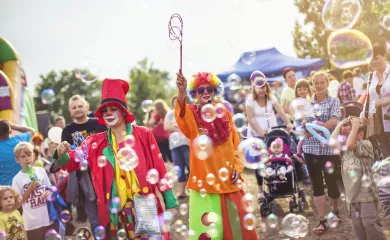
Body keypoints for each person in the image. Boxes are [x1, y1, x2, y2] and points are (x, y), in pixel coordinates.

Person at [55, 79, 178, 239]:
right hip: (115, 209)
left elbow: (159, 168)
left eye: (114, 109)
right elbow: (71, 163)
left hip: (144, 203)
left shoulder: (143, 134)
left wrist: (170, 202)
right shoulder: (94, 142)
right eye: (105, 110)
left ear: (124, 112)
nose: (109, 113)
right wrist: (61, 153)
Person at [175, 71, 258, 239]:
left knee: (238, 230)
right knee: (209, 234)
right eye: (200, 90)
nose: (206, 93)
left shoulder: (224, 113)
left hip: (229, 180)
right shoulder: (191, 113)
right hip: (204, 183)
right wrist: (181, 92)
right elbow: (181, 115)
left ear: (215, 91)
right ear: (194, 94)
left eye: (210, 89)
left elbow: (236, 143)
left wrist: (238, 167)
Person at [330, 117, 386, 240]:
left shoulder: (366, 144)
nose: (347, 136)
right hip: (352, 198)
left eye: (352, 133)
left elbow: (351, 144)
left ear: (361, 133)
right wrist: (339, 125)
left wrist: (355, 126)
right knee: (358, 229)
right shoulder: (344, 149)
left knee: (372, 227)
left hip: (366, 196)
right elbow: (331, 142)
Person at [302, 71, 342, 235]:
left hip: (329, 149)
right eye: (316, 83)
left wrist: (315, 129)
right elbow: (302, 124)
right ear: (312, 85)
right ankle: (322, 220)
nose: (319, 85)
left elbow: (335, 120)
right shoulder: (306, 104)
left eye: (322, 82)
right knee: (317, 184)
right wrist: (305, 126)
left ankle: (335, 211)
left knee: (332, 182)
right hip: (310, 150)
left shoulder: (334, 100)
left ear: (327, 83)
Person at [60, 94, 106, 229]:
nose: (77, 109)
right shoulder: (67, 131)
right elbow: (66, 158)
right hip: (83, 178)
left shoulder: (98, 123)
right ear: (70, 111)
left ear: (87, 107)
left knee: (109, 213)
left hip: (102, 173)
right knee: (94, 217)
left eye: (80, 106)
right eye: (74, 107)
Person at [245, 74, 293, 201]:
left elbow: (281, 112)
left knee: (274, 159)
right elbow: (250, 119)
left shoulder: (271, 98)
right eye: (259, 88)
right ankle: (260, 190)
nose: (262, 90)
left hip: (272, 134)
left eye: (264, 87)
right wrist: (261, 132)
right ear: (254, 88)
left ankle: (275, 185)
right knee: (260, 163)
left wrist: (288, 123)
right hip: (257, 135)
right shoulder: (250, 100)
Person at [360, 41, 390, 223]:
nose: (374, 63)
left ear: (385, 56)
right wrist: (364, 114)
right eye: (372, 61)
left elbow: (380, 100)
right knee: (386, 161)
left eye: (377, 59)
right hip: (379, 126)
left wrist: (385, 101)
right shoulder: (371, 76)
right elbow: (369, 99)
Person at [12, 142, 54, 240]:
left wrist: (48, 193)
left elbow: (50, 188)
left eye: (29, 155)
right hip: (31, 224)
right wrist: (30, 189)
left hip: (48, 219)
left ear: (34, 156)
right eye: (23, 156)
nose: (27, 158)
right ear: (17, 160)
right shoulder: (17, 179)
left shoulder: (41, 171)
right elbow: (17, 204)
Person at [164, 96, 190, 199]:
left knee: (190, 166)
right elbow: (166, 127)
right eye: (175, 102)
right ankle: (182, 192)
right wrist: (181, 127)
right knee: (179, 168)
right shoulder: (170, 114)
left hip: (187, 143)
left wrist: (175, 127)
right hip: (175, 146)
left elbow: (190, 126)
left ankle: (194, 190)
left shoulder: (188, 112)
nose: (177, 103)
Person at [0, 120, 35, 186]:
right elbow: (32, 131)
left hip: (5, 191)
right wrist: (13, 126)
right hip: (24, 186)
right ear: (10, 131)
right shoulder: (19, 140)